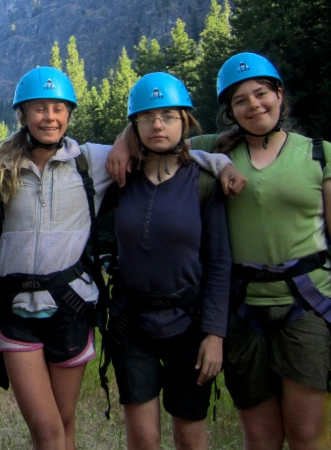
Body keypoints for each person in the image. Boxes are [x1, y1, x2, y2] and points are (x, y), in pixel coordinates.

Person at [0, 67, 233, 450]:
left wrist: (221, 163)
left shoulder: (89, 161)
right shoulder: (2, 166)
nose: (50, 117)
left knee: (65, 422)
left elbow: (167, 148)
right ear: (23, 116)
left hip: (70, 308)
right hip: (16, 311)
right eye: (39, 109)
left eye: (58, 108)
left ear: (69, 115)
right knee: (46, 430)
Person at [195, 53, 331, 450]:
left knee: (308, 434)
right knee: (261, 437)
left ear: (279, 95)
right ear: (230, 111)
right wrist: (218, 164)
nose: (254, 105)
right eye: (241, 100)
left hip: (307, 303)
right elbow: (154, 138)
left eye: (261, 94)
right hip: (242, 308)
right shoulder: (214, 149)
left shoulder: (319, 153)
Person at [109, 72, 231, 450]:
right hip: (133, 324)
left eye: (168, 116)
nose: (157, 124)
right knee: (143, 440)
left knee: (191, 436)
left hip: (190, 326)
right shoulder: (118, 177)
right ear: (134, 126)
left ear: (185, 122)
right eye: (147, 117)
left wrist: (215, 334)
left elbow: (219, 262)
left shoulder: (204, 180)